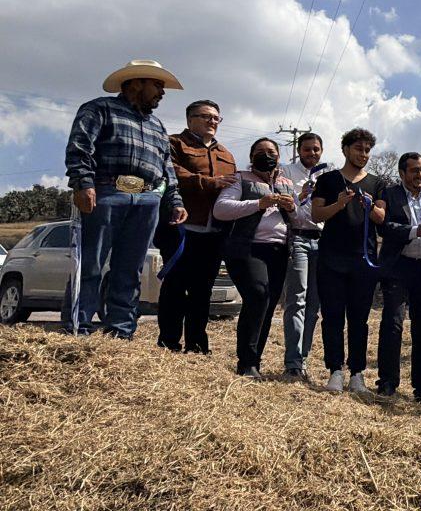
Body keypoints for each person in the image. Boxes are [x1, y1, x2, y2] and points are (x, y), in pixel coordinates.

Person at [63, 59, 188, 338]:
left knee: (130, 268)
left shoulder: (157, 126)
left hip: (146, 198)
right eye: (157, 85)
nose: (162, 92)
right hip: (106, 191)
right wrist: (83, 183)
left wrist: (175, 200)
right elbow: (80, 146)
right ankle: (77, 327)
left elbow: (166, 167)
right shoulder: (99, 109)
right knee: (91, 263)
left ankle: (120, 331)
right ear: (135, 83)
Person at [213, 138, 299, 377]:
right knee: (258, 294)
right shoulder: (240, 178)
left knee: (268, 305)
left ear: (279, 157)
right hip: (247, 247)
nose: (266, 155)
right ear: (251, 157)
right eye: (260, 152)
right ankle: (246, 362)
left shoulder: (285, 183)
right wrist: (258, 203)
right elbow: (221, 209)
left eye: (271, 152)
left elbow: (301, 218)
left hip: (278, 250)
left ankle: (255, 361)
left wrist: (292, 209)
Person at [157, 99, 237, 354]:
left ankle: (197, 344)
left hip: (214, 232)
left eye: (216, 118)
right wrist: (209, 183)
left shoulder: (226, 153)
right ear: (190, 119)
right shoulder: (173, 143)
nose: (212, 122)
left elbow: (233, 187)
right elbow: (170, 172)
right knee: (175, 287)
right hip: (182, 227)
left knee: (203, 290)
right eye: (206, 117)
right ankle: (169, 342)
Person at [311, 128, 387, 394]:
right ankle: (335, 371)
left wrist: (371, 207)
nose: (363, 154)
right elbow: (316, 214)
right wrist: (340, 204)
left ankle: (357, 373)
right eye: (358, 148)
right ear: (345, 149)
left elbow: (381, 218)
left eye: (367, 150)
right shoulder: (328, 180)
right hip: (331, 257)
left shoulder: (377, 183)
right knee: (332, 316)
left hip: (364, 259)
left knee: (359, 318)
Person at [376, 153, 421, 408]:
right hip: (398, 266)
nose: (420, 175)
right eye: (415, 171)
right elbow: (384, 228)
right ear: (402, 173)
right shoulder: (390, 193)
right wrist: (416, 231)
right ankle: (387, 384)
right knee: (392, 324)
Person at [279, 132, 334, 379]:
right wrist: (300, 195)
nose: (312, 153)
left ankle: (302, 360)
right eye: (307, 149)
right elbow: (283, 204)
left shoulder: (329, 176)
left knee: (314, 305)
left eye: (316, 149)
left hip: (323, 241)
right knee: (297, 300)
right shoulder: (287, 172)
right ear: (298, 150)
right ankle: (292, 362)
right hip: (298, 237)